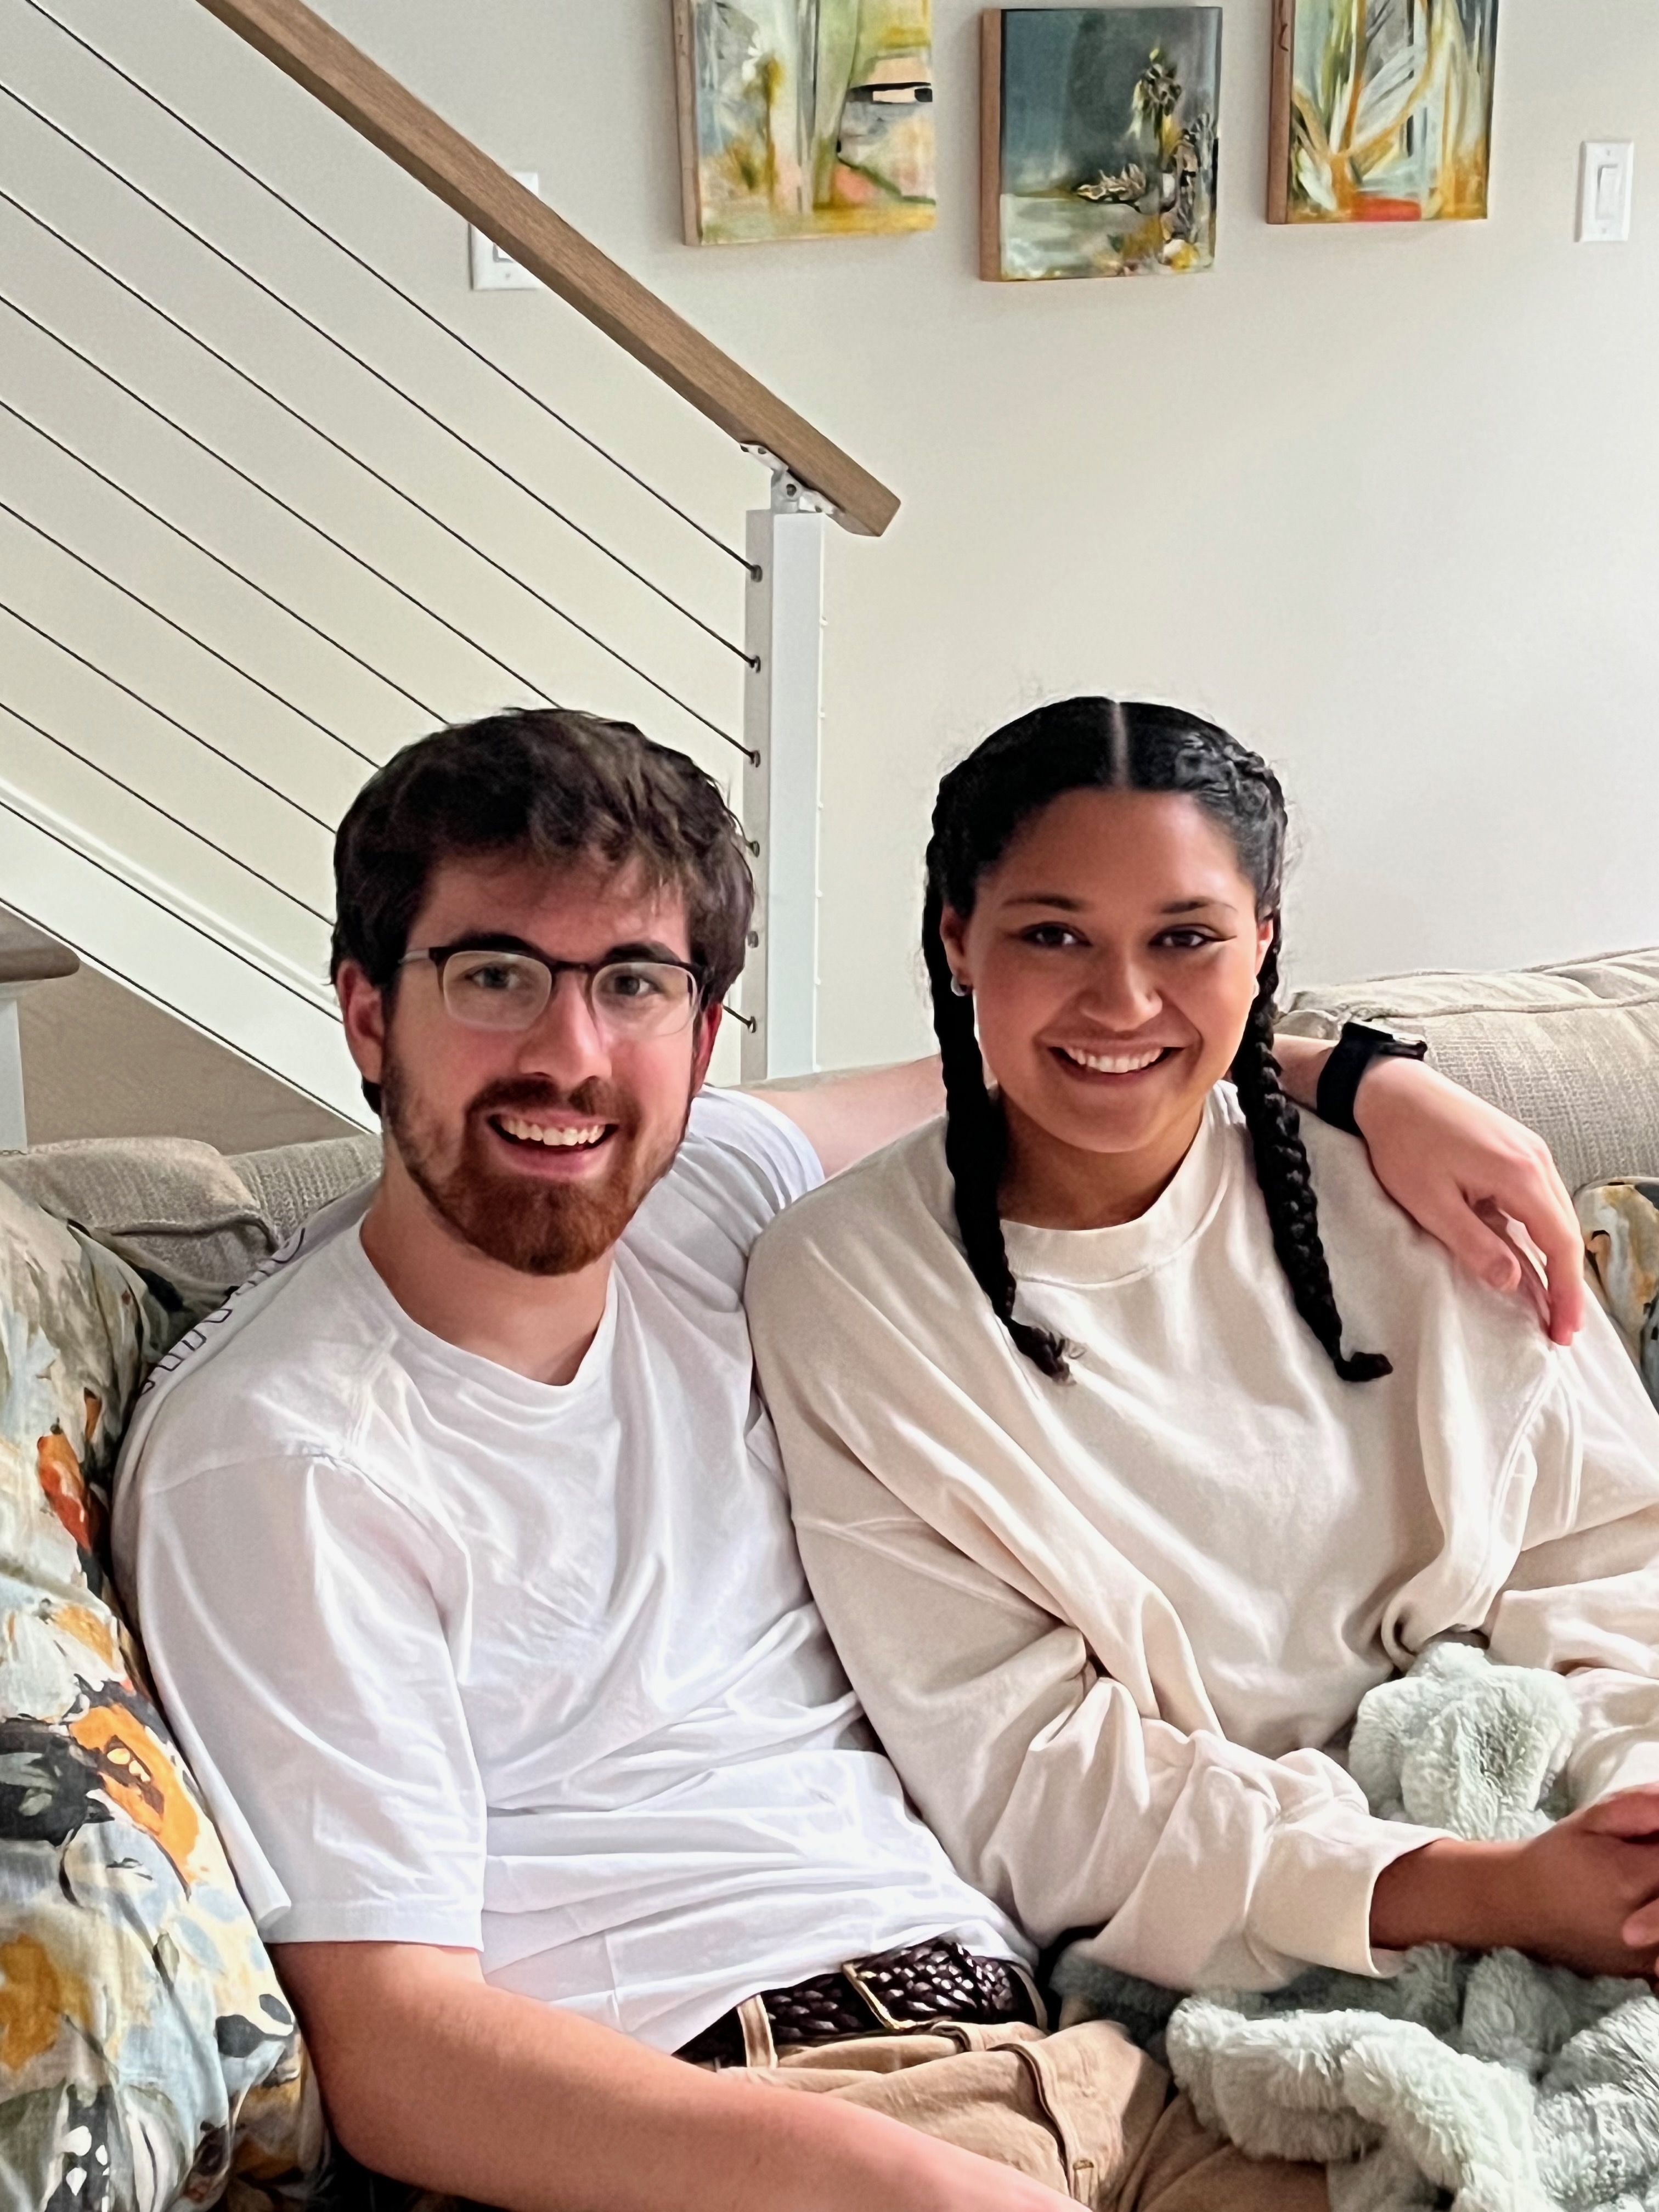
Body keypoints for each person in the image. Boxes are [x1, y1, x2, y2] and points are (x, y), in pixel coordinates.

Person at [113, 708, 1587, 2212]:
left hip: (1086, 2068)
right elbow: (401, 2057)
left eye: (631, 983)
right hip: (739, 2116)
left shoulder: (709, 1200)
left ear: (698, 1036)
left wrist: (1360, 1082)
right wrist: (903, 2187)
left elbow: (1069, 1054)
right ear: (368, 1014)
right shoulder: (277, 1454)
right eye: (494, 975)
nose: (570, 1055)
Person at [746, 696, 1659, 2021]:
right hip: (1242, 1937)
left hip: (1566, 1815)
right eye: (1053, 935)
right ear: (957, 942)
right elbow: (1032, 1783)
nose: (1122, 1000)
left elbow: (1610, 1566)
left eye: (1185, 939)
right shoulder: (849, 1287)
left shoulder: (1412, 1193)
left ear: (1264, 946)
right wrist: (1484, 1889)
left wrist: (1630, 1830)